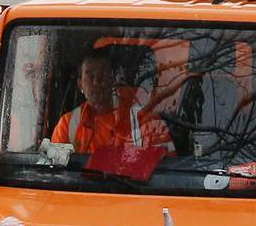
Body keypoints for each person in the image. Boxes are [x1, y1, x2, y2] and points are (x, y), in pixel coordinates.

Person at [41, 48, 169, 163]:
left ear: (112, 80)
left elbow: (167, 174)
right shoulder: (67, 125)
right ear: (80, 85)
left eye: (102, 75)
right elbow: (55, 172)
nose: (97, 82)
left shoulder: (146, 120)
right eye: (90, 76)